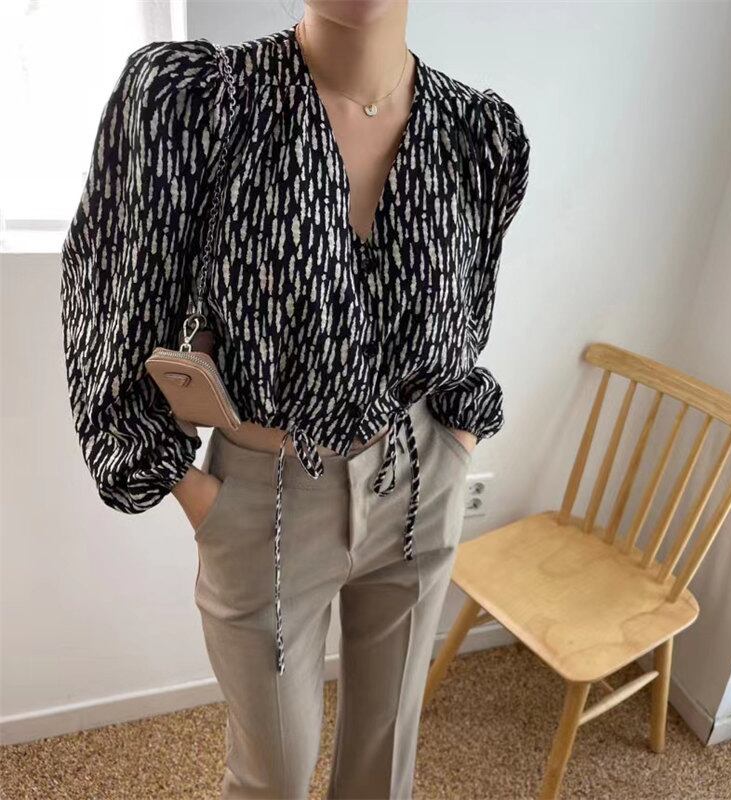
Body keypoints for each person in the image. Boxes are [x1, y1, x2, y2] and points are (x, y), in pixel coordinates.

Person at [60, 1, 530, 797]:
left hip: (420, 481)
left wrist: (457, 443)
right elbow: (112, 309)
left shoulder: (476, 135)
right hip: (265, 496)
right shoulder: (202, 103)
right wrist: (196, 493)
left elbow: (465, 319)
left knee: (385, 766)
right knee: (271, 777)